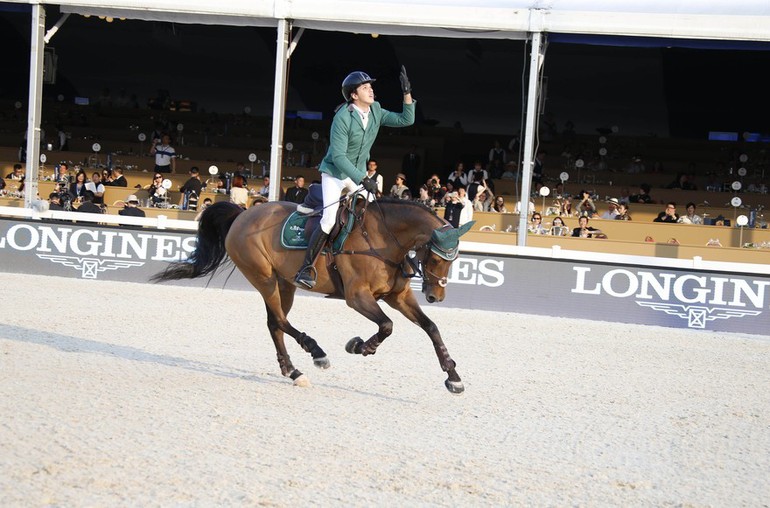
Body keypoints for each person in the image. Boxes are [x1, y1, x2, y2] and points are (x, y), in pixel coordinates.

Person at [294, 67, 415, 289]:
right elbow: (338, 157)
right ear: (354, 94)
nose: (371, 90)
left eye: (371, 86)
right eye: (365, 87)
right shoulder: (342, 117)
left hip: (358, 174)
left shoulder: (376, 110)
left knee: (375, 215)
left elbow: (406, 120)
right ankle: (306, 268)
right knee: (329, 219)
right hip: (335, 174)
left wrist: (407, 93)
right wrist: (363, 178)